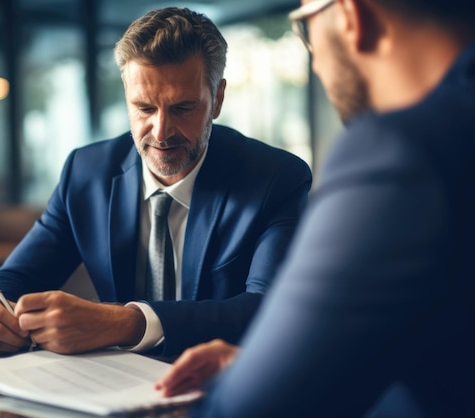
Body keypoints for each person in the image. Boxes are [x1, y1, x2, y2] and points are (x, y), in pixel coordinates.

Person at [155, 0, 475, 416]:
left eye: (304, 27)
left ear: (350, 16)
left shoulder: (399, 154)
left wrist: (250, 379)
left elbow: (247, 410)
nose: (316, 63)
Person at [0, 7, 312, 359]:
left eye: (183, 108)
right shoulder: (86, 173)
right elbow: (13, 278)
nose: (161, 133)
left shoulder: (276, 179)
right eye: (145, 108)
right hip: (112, 391)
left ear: (217, 99)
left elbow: (268, 309)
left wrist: (128, 322)